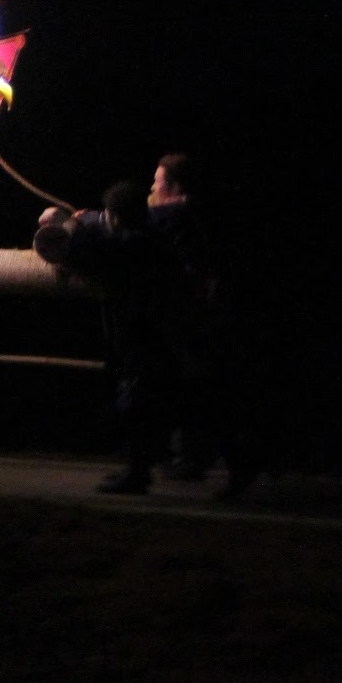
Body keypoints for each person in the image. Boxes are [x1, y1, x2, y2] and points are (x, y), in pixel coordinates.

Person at [35, 180, 178, 495]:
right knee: (149, 401)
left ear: (115, 216)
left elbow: (85, 252)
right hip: (160, 334)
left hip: (141, 336)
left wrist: (67, 222)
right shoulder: (153, 238)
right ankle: (146, 466)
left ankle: (137, 474)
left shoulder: (128, 245)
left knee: (134, 404)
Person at [146, 153, 257, 498]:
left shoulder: (176, 213)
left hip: (200, 318)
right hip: (206, 315)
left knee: (207, 390)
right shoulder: (198, 213)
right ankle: (194, 458)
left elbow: (137, 220)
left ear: (175, 187)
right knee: (198, 389)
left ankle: (237, 466)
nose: (152, 187)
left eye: (157, 181)